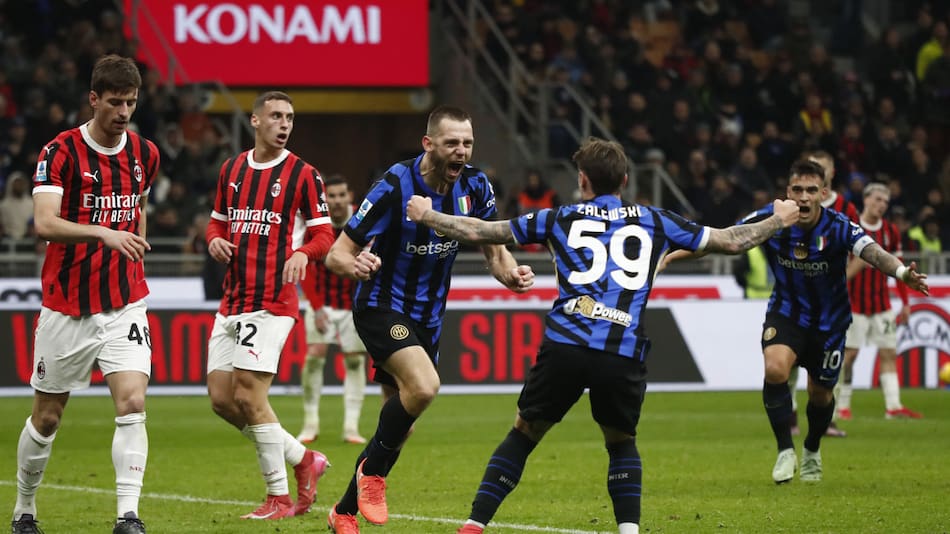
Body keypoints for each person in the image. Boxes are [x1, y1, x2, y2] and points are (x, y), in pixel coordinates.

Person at [406, 137, 802, 534]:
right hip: (622, 349)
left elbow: (482, 232)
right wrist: (778, 220)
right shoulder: (657, 219)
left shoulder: (557, 217)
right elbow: (731, 240)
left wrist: (428, 215)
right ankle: (628, 531)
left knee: (524, 432)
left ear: (582, 180)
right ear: (625, 179)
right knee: (620, 441)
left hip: (565, 345)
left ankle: (475, 524)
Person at [323, 105, 535, 533]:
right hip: (381, 306)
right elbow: (335, 255)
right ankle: (375, 477)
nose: (461, 151)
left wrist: (509, 273)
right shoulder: (393, 186)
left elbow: (494, 251)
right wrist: (356, 266)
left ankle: (344, 511)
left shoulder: (476, 186)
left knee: (399, 426)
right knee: (424, 386)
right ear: (429, 143)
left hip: (428, 317)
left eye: (468, 143)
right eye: (452, 143)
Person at [670, 159, 928, 485]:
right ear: (787, 191)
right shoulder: (772, 218)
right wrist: (671, 254)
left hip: (830, 322)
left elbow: (873, 252)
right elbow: (729, 238)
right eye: (797, 190)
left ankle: (811, 448)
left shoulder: (838, 225)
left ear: (823, 192)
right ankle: (784, 450)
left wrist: (903, 273)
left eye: (810, 190)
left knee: (819, 395)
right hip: (787, 313)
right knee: (775, 369)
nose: (803, 197)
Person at [11, 54, 158, 534]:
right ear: (93, 98)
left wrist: (134, 237)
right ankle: (24, 509)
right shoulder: (60, 152)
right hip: (67, 306)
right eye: (115, 102)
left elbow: (135, 207)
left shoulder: (145, 153)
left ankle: (128, 517)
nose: (123, 112)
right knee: (48, 417)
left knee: (133, 402)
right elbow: (45, 223)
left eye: (131, 103)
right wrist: (105, 234)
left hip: (124, 302)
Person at [204, 91, 333, 520]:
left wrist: (304, 254)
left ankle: (278, 496)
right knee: (222, 400)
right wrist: (214, 240)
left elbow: (324, 235)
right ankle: (302, 458)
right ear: (256, 121)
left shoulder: (303, 174)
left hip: (273, 301)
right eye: (276, 116)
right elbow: (217, 221)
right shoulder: (233, 169)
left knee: (249, 392)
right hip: (233, 300)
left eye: (290, 117)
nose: (284, 124)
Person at [783, 150, 858, 438]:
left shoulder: (845, 210)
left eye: (821, 169)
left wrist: (839, 277)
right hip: (792, 300)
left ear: (828, 178)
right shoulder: (788, 211)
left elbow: (863, 248)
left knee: (826, 370)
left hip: (829, 306)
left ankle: (829, 419)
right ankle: (789, 415)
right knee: (784, 364)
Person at [297, 174, 368, 445]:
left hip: (353, 304)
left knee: (354, 359)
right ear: (324, 199)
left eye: (341, 195)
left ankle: (351, 426)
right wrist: (316, 307)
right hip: (322, 303)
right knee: (315, 355)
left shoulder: (362, 222)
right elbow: (307, 269)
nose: (336, 201)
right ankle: (310, 422)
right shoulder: (315, 224)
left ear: (349, 197)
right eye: (331, 196)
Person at [841, 183, 921, 419]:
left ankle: (893, 407)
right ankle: (842, 405)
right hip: (853, 304)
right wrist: (857, 266)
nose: (881, 205)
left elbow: (900, 270)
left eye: (885, 202)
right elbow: (840, 273)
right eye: (877, 199)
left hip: (881, 304)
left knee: (888, 353)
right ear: (865, 200)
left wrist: (905, 302)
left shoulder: (890, 231)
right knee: (850, 355)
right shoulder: (849, 229)